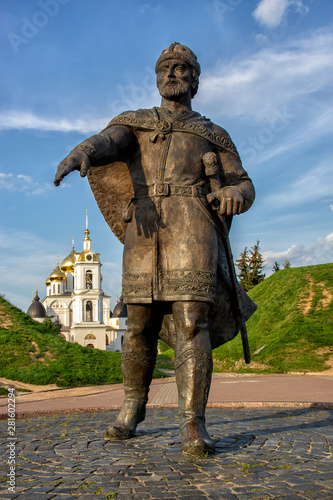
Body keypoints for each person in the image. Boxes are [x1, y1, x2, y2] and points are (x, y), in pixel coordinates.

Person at [54, 43, 255, 456]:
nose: (173, 74)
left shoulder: (211, 133)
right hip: (144, 228)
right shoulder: (137, 123)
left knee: (190, 323)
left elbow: (243, 182)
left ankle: (192, 422)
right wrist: (84, 151)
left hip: (193, 225)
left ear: (195, 79)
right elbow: (110, 141)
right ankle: (132, 406)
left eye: (183, 69)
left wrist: (234, 192)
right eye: (166, 68)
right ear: (156, 76)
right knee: (139, 324)